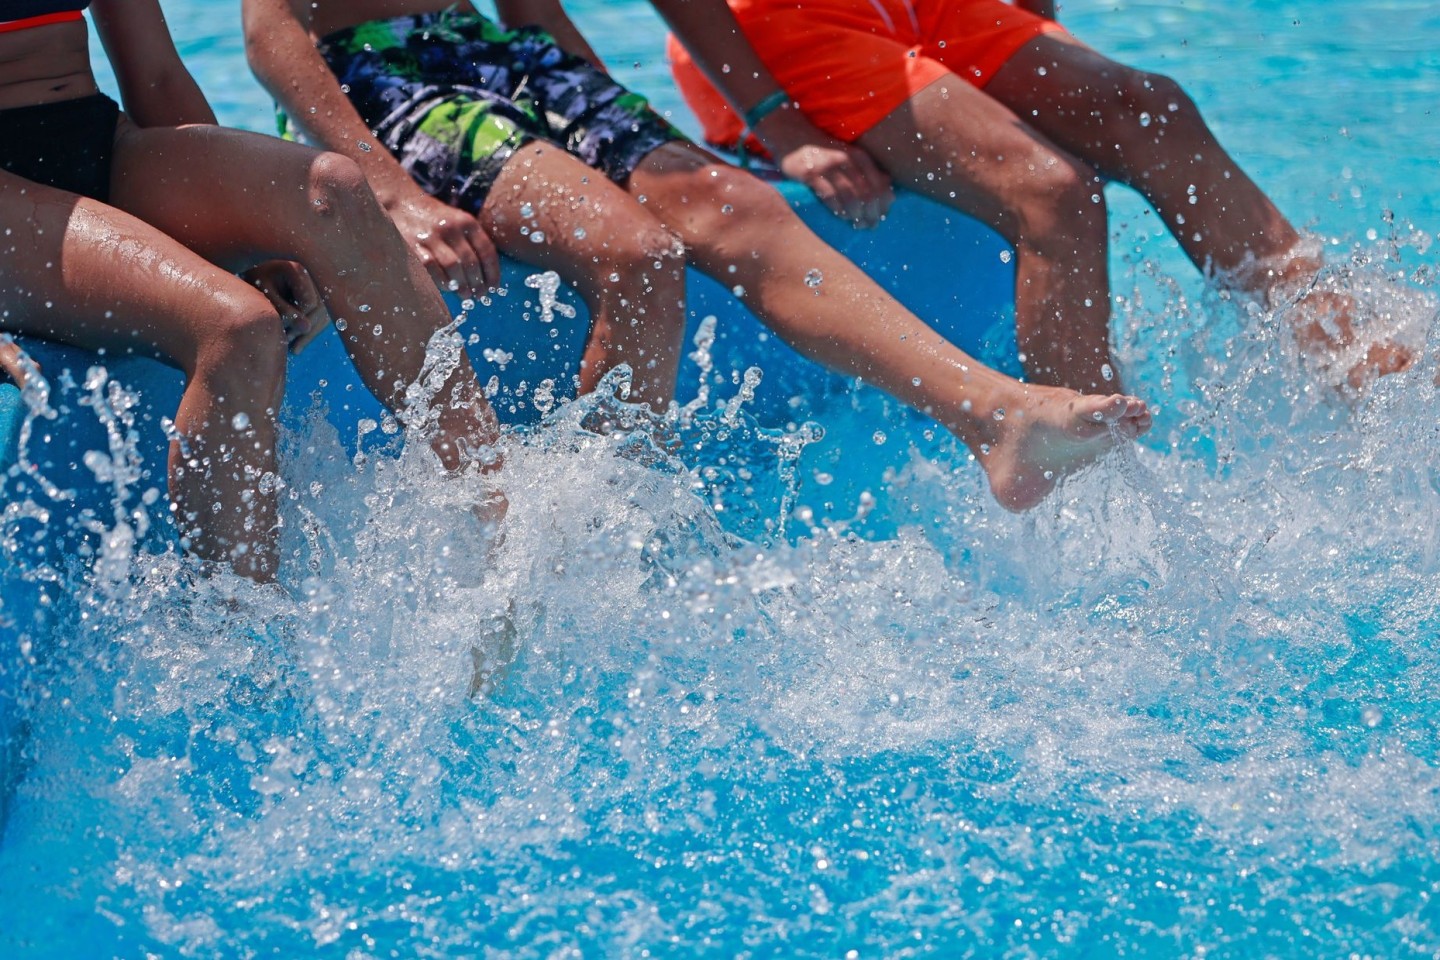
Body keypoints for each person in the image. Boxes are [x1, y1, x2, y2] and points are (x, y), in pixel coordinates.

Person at [243, 0, 1152, 512]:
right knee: (639, 256)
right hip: (381, 78)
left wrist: (601, 109)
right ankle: (588, 540)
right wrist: (388, 191)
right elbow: (268, 30)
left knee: (735, 205)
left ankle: (992, 417)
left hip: (501, 55)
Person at [0, 0, 504, 582]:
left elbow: (156, 75)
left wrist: (255, 236)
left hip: (95, 136)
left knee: (332, 192)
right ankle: (237, 640)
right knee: (237, 328)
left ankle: (494, 534)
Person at [664, 0, 1412, 392]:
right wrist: (778, 120)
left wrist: (1033, 34)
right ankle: (1085, 480)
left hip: (927, 9)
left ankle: (1360, 360)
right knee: (1053, 191)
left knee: (1150, 107)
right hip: (775, 24)